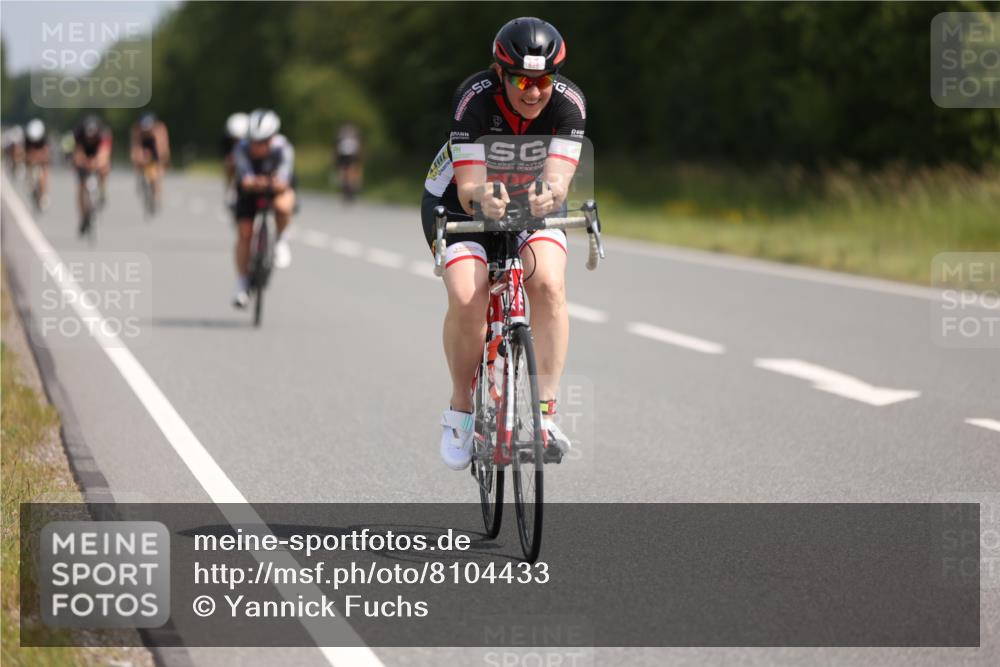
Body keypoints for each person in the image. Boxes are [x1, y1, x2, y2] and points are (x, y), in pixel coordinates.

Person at [420, 17, 586, 470]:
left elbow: (559, 177)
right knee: (467, 295)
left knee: (549, 284)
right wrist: (484, 200)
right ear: (500, 74)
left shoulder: (569, 104)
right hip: (459, 204)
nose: (533, 92)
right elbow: (471, 186)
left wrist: (550, 192)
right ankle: (459, 409)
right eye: (521, 81)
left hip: (528, 205)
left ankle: (546, 413)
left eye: (543, 80)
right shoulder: (473, 99)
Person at [230, 108, 296, 308]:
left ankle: (280, 240)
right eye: (253, 141)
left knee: (283, 207)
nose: (257, 147)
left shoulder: (284, 148)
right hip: (249, 191)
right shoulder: (241, 149)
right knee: (244, 233)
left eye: (262, 142)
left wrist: (268, 183)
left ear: (272, 138)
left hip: (275, 188)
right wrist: (259, 182)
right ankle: (242, 282)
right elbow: (246, 180)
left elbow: (283, 182)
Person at [73, 115, 113, 234]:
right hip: (84, 152)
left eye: (93, 137)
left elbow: (104, 154)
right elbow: (77, 153)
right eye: (88, 137)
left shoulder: (104, 134)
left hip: (98, 152)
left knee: (104, 168)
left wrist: (96, 163)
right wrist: (82, 161)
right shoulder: (79, 134)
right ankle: (83, 216)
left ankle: (102, 190)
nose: (90, 139)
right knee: (80, 185)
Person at [130, 111, 171, 205]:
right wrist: (138, 157)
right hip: (143, 147)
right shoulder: (137, 130)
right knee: (138, 161)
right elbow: (135, 146)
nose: (146, 131)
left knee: (157, 172)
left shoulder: (160, 129)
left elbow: (163, 148)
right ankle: (140, 178)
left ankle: (156, 193)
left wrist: (162, 162)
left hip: (155, 148)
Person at [222, 112, 249, 202]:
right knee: (229, 163)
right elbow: (227, 155)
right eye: (234, 139)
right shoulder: (227, 140)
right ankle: (230, 187)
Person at [24, 119, 51, 209]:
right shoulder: (27, 138)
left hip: (41, 156)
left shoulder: (44, 138)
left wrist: (40, 158)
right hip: (31, 156)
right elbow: (25, 154)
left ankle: (43, 194)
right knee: (29, 166)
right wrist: (31, 159)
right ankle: (30, 182)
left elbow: (46, 152)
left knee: (44, 170)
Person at [332, 123, 362, 201]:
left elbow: (358, 150)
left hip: (351, 157)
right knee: (344, 173)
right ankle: (347, 188)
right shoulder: (342, 139)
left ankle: (351, 188)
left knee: (350, 173)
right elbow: (336, 149)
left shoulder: (352, 139)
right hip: (344, 157)